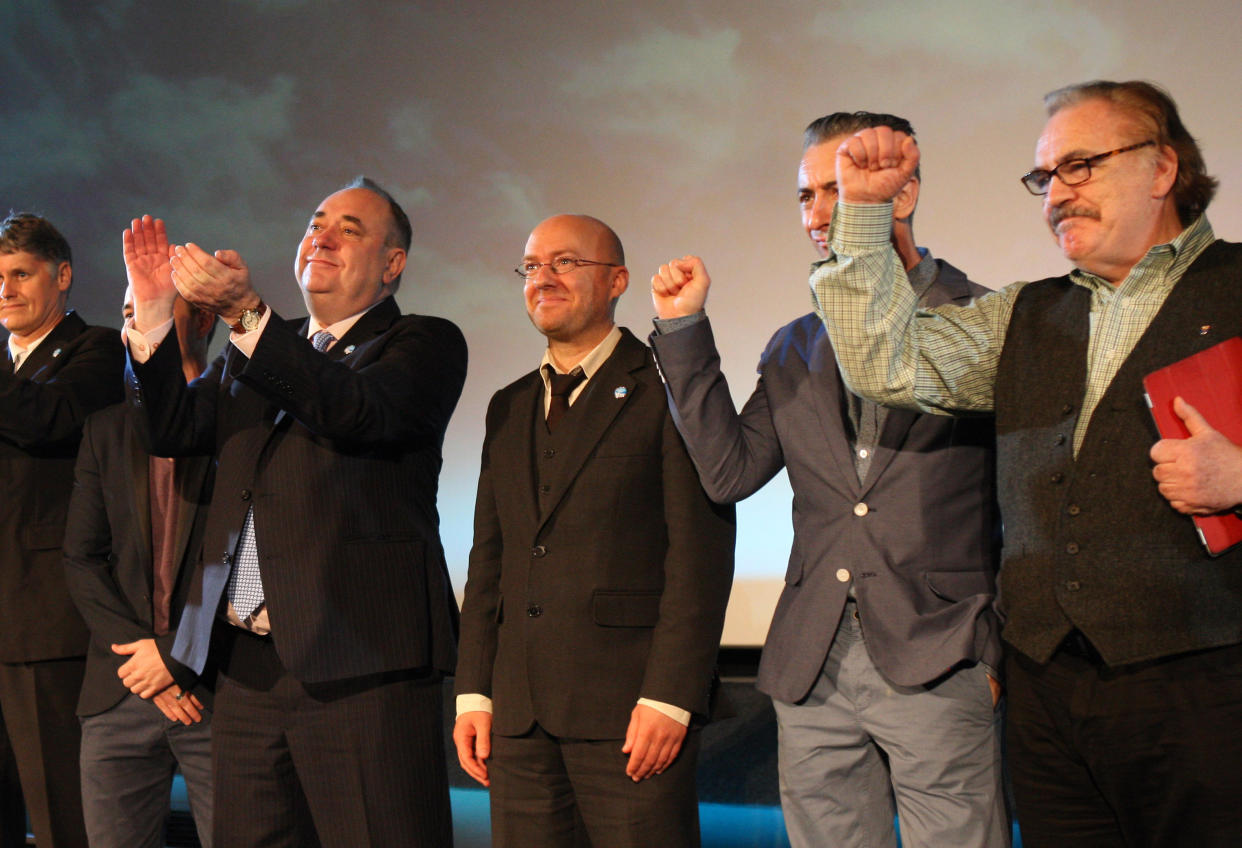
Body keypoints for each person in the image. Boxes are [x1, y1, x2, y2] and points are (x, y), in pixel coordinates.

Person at [811, 80, 1242, 846]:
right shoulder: (1024, 314)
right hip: (1050, 689)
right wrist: (866, 217)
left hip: (1208, 686)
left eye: (1081, 166)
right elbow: (889, 364)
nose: (1056, 195)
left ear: (1163, 169)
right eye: (1045, 177)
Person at [649, 112, 1007, 848]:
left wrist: (995, 645)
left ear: (898, 196)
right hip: (812, 660)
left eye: (833, 191)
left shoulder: (979, 319)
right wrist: (683, 333)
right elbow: (729, 470)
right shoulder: (796, 343)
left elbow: (1025, 496)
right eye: (805, 195)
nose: (814, 214)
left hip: (939, 647)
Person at [122, 176, 467, 847]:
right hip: (247, 674)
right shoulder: (256, 355)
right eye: (316, 222)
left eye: (350, 228)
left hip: (361, 670)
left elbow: (355, 410)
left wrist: (248, 314)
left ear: (392, 264)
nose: (323, 235)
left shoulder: (422, 343)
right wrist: (156, 316)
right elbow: (169, 429)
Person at [453, 214, 735, 847]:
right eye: (531, 266)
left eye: (565, 263)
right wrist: (474, 690)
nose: (543, 278)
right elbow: (488, 560)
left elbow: (702, 556)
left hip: (632, 716)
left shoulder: (668, 389)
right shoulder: (509, 403)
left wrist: (671, 697)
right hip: (519, 720)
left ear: (617, 281)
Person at [63, 284, 217, 848]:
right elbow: (82, 557)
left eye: (152, 310)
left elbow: (244, 555)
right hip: (119, 687)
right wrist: (143, 661)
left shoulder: (237, 418)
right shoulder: (106, 429)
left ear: (201, 319)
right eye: (128, 311)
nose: (134, 324)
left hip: (214, 690)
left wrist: (177, 654)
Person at [0, 212, 124, 848]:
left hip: (43, 621)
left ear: (63, 275)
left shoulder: (96, 349)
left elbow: (46, 419)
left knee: (61, 817)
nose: (6, 290)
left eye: (21, 273)